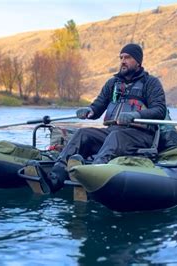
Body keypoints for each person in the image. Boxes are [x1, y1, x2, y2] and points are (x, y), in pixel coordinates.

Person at [44, 43, 167, 193]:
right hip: (113, 132)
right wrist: (89, 110)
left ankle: (94, 175)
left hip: (140, 136)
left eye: (127, 57)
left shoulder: (151, 83)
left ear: (138, 61)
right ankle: (57, 173)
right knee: (83, 134)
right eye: (121, 57)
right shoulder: (112, 83)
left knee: (115, 136)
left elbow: (159, 110)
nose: (123, 61)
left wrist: (135, 115)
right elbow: (98, 106)